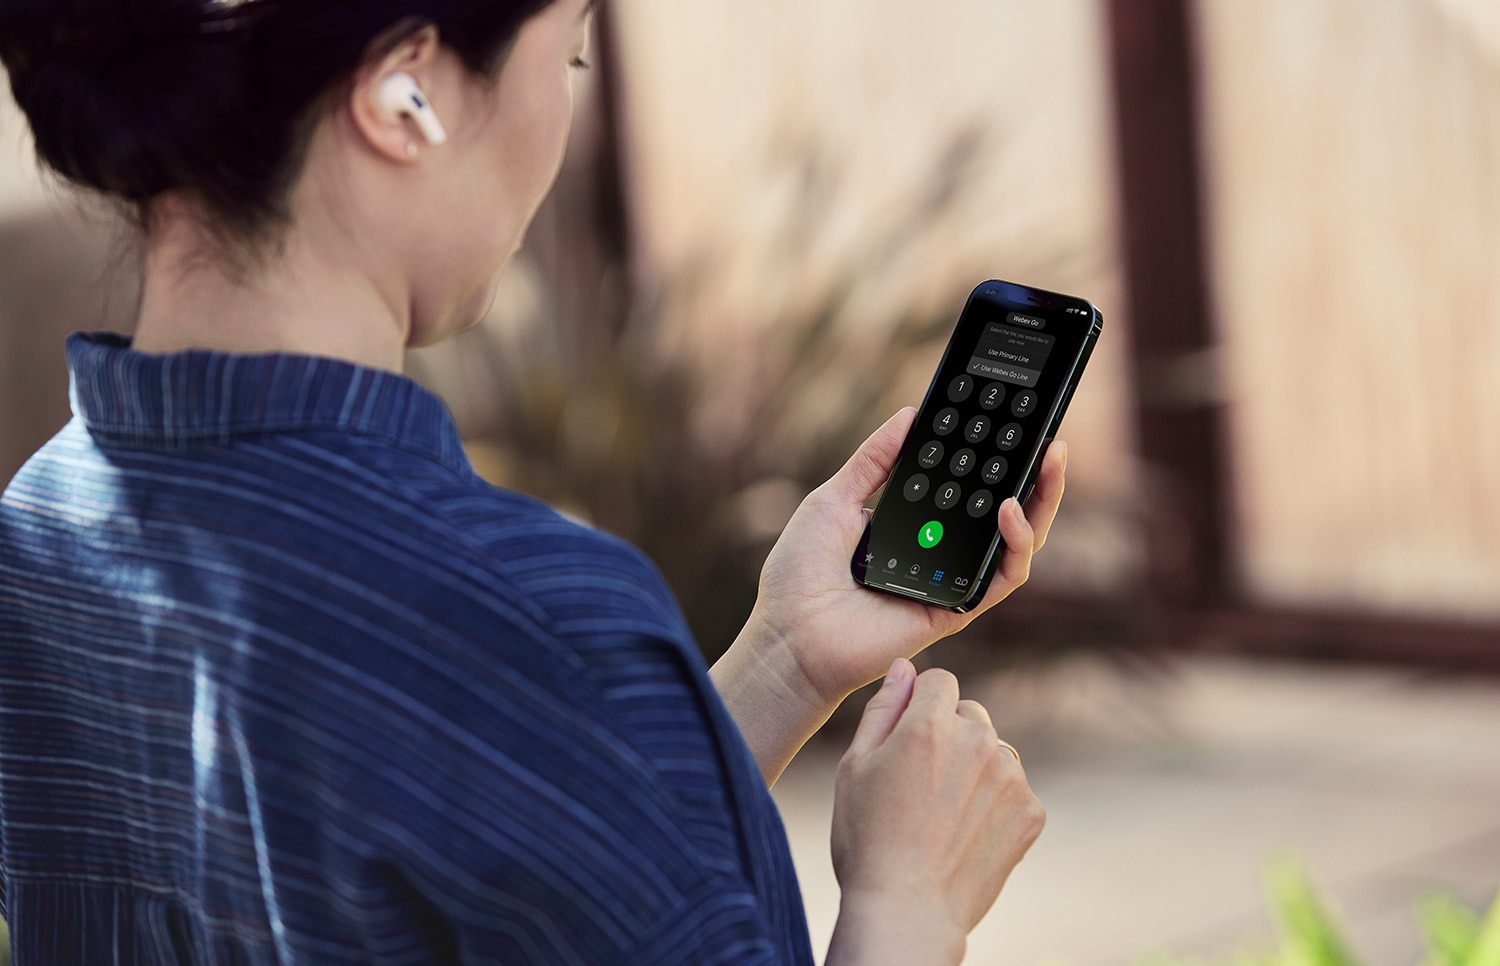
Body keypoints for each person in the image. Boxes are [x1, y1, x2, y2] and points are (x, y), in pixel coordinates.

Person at [0, 1, 1067, 963]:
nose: (561, 108)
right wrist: (908, 905)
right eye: (571, 53)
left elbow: (491, 870)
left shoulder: (35, 531)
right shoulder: (528, 609)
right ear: (398, 94)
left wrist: (784, 662)